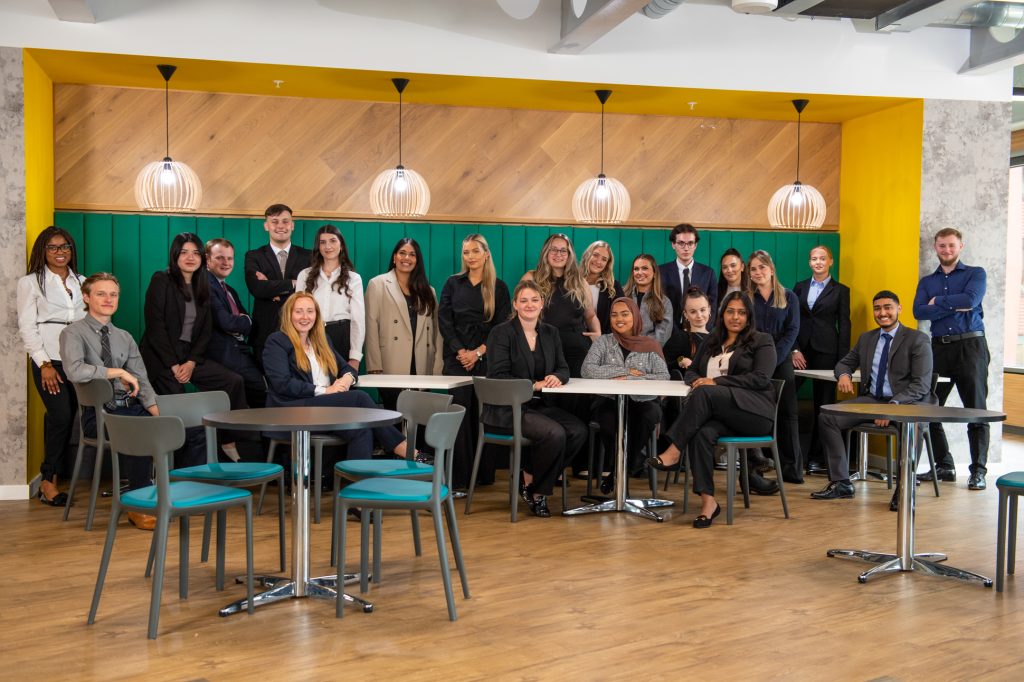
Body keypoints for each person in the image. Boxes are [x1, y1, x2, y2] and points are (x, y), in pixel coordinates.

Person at [646, 292, 779, 528]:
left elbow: (760, 379)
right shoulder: (712, 341)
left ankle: (675, 449)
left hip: (754, 413)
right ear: (722, 313)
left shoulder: (762, 340)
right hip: (718, 413)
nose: (735, 317)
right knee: (701, 433)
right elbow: (692, 373)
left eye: (741, 312)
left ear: (749, 316)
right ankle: (709, 503)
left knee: (705, 391)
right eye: (730, 311)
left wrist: (716, 382)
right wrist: (702, 382)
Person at [59, 273, 163, 530]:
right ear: (86, 297)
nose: (108, 299)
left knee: (174, 427)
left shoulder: (124, 337)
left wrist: (158, 413)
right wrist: (115, 372)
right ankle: (138, 507)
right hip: (99, 415)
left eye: (113, 294)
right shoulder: (72, 333)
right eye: (101, 293)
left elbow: (142, 380)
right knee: (139, 432)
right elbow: (74, 371)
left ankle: (163, 498)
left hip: (129, 408)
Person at [810, 291, 932, 509]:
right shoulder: (867, 338)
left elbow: (921, 385)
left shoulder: (917, 339)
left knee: (915, 425)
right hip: (873, 401)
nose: (882, 313)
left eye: (888, 307)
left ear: (899, 309)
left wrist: (893, 407)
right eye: (877, 308)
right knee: (828, 416)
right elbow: (844, 363)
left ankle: (904, 488)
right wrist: (845, 375)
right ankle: (841, 483)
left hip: (907, 403)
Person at [483, 280, 587, 518]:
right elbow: (498, 375)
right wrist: (534, 384)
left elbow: (563, 367)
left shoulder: (550, 332)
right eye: (524, 300)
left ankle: (530, 477)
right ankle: (539, 494)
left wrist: (556, 377)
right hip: (508, 407)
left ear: (542, 304)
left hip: (540, 406)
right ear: (515, 305)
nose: (529, 304)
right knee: (555, 433)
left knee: (578, 431)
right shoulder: (501, 333)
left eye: (534, 300)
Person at [262, 292, 407, 460]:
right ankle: (402, 447)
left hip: (324, 411)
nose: (305, 317)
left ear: (316, 315)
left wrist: (347, 379)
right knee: (359, 398)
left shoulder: (322, 341)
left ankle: (357, 484)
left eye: (310, 311)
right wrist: (326, 390)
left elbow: (347, 368)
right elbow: (282, 384)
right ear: (289, 315)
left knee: (362, 429)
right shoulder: (277, 341)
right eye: (298, 311)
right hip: (293, 411)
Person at [140, 233, 247, 460]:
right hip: (160, 357)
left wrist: (190, 362)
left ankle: (227, 441)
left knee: (232, 381)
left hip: (189, 356)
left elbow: (206, 330)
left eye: (196, 253)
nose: (190, 257)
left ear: (202, 258)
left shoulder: (202, 285)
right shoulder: (162, 280)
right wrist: (172, 364)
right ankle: (178, 466)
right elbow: (155, 328)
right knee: (180, 403)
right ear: (175, 255)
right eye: (184, 252)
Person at [913, 227, 991, 491]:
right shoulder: (927, 281)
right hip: (939, 350)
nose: (946, 250)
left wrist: (938, 303)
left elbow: (971, 300)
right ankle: (944, 465)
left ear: (961, 246)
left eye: (951, 246)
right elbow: (918, 311)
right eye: (942, 246)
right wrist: (950, 304)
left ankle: (978, 471)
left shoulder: (975, 274)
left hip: (971, 347)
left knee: (976, 411)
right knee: (929, 408)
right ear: (935, 247)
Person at [17, 226, 86, 506]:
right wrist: (43, 363)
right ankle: (48, 482)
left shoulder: (82, 281)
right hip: (49, 359)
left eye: (65, 246)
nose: (60, 252)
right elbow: (26, 326)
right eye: (53, 247)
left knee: (81, 417)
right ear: (42, 251)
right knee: (60, 416)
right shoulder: (31, 282)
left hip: (79, 358)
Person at [438, 234, 512, 490]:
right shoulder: (452, 283)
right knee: (458, 416)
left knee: (482, 417)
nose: (470, 256)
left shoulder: (499, 287)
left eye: (474, 251)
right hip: (456, 359)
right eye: (466, 252)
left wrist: (479, 352)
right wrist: (461, 351)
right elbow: (445, 322)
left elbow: (502, 328)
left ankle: (482, 475)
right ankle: (458, 477)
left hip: (487, 360)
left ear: (486, 254)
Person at [582, 297, 670, 494]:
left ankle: (619, 470)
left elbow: (663, 376)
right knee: (608, 420)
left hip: (643, 402)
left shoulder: (650, 345)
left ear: (635, 317)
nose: (619, 319)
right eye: (614, 315)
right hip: (609, 400)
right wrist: (625, 373)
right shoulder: (603, 342)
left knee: (648, 415)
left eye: (624, 314)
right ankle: (625, 468)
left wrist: (632, 379)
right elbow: (587, 370)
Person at [365, 238, 443, 411]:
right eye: (402, 253)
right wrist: (374, 365)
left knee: (421, 415)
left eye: (412, 254)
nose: (406, 258)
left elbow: (437, 331)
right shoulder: (377, 284)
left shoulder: (428, 291)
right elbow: (371, 326)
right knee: (394, 414)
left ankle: (415, 440)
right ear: (394, 257)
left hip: (422, 362)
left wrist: (437, 365)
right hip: (390, 362)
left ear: (417, 260)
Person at [792, 245, 851, 474]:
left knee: (823, 406)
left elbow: (844, 326)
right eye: (814, 258)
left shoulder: (841, 290)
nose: (818, 262)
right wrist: (794, 350)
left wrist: (843, 364)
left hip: (827, 352)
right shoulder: (800, 287)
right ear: (809, 262)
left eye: (822, 258)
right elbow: (793, 321)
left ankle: (816, 458)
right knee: (785, 398)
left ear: (830, 261)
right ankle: (784, 454)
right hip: (800, 354)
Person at [747, 249, 803, 484]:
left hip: (781, 363)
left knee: (788, 415)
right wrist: (761, 361)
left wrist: (775, 359)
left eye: (762, 267)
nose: (758, 272)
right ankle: (754, 469)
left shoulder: (789, 297)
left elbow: (792, 331)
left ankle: (792, 470)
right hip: (752, 364)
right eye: (753, 269)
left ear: (771, 269)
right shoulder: (746, 299)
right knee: (753, 414)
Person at [521, 233, 602, 377]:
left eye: (563, 250)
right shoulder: (531, 278)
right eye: (553, 249)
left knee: (575, 396)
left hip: (576, 349)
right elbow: (519, 314)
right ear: (546, 252)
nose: (558, 254)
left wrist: (597, 335)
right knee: (546, 394)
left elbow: (590, 316)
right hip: (542, 346)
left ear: (569, 254)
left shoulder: (580, 282)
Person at [244, 203, 312, 363]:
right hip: (265, 332)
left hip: (301, 333)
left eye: (285, 221)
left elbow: (310, 290)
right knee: (267, 385)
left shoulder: (308, 256)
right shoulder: (254, 256)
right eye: (274, 221)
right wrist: (294, 283)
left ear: (292, 225)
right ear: (266, 226)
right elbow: (257, 288)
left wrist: (271, 288)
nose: (280, 226)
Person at [206, 238, 267, 409]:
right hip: (224, 353)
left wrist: (244, 321)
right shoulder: (206, 284)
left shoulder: (229, 290)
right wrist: (244, 320)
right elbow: (227, 322)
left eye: (230, 258)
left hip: (239, 350)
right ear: (207, 260)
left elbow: (247, 322)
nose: (226, 263)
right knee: (260, 389)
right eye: (220, 258)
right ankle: (257, 435)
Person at [296, 224, 364, 370]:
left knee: (343, 387)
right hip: (312, 335)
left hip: (342, 337)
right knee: (314, 386)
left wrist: (355, 357)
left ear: (341, 245)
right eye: (323, 242)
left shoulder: (354, 278)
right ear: (318, 247)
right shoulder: (304, 275)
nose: (328, 246)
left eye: (333, 241)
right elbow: (296, 314)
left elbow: (358, 320)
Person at [659, 224, 717, 330]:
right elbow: (659, 305)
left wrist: (703, 330)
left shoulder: (708, 273)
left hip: (701, 330)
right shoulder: (661, 272)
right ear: (673, 244)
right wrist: (673, 332)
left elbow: (713, 306)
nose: (686, 248)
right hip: (670, 331)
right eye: (681, 243)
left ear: (695, 245)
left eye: (690, 243)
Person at [623, 254, 673, 346]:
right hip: (621, 349)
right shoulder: (622, 295)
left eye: (645, 268)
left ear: (654, 273)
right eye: (636, 269)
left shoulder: (664, 302)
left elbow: (662, 336)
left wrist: (639, 345)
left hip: (649, 353)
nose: (639, 272)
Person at [663, 288, 712, 372]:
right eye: (693, 312)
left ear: (709, 309)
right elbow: (662, 364)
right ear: (685, 314)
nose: (699, 315)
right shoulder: (679, 338)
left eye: (702, 310)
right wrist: (680, 361)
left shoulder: (718, 338)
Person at [580, 240, 623, 334]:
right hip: (574, 340)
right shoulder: (572, 282)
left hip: (604, 340)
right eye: (595, 255)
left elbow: (620, 319)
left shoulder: (614, 287)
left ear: (607, 264)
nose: (598, 261)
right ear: (587, 255)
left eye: (604, 259)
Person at [716, 247, 748, 312]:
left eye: (733, 265)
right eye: (724, 267)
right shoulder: (716, 291)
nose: (729, 270)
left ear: (742, 267)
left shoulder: (753, 290)